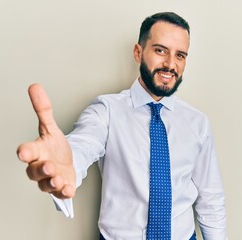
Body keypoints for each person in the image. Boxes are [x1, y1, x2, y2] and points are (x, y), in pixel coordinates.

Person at [17, 12, 227, 240]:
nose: (170, 64)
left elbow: (211, 201)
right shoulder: (107, 110)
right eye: (160, 50)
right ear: (138, 52)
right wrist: (66, 164)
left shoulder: (198, 123)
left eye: (180, 55)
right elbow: (82, 145)